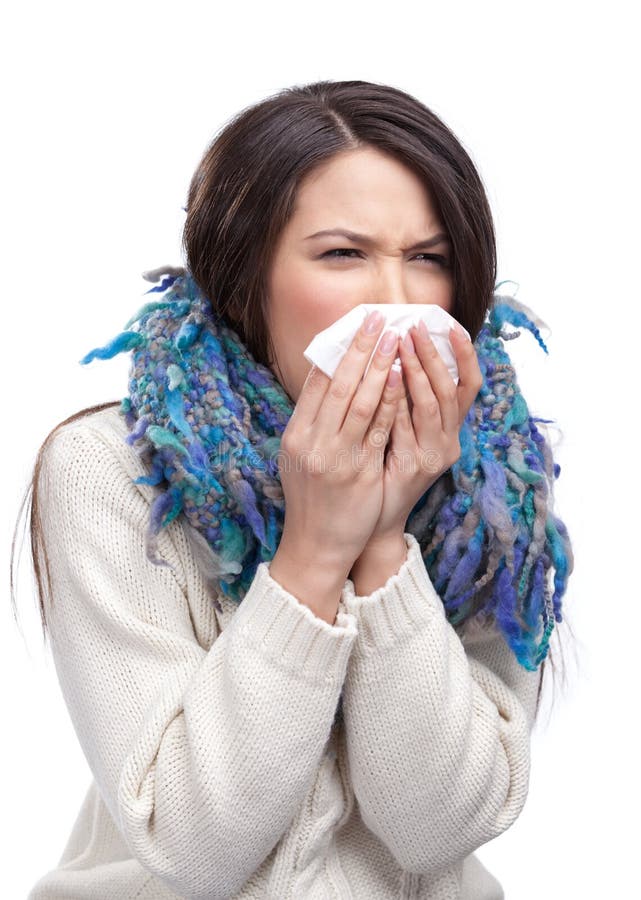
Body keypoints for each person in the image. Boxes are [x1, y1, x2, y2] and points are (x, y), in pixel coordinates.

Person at [16, 79, 574, 899]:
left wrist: (384, 539)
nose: (395, 299)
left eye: (429, 259)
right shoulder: (108, 470)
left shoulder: (494, 484)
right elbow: (192, 845)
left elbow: (435, 828)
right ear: (246, 280)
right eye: (343, 254)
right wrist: (316, 547)